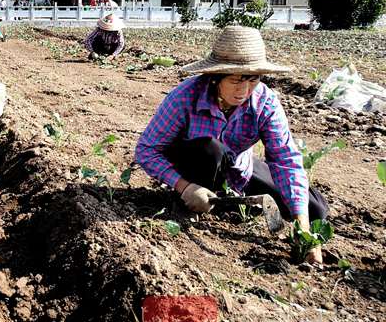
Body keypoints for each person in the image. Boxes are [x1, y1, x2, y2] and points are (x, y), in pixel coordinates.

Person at [134, 26, 329, 263]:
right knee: (210, 149)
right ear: (215, 76)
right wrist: (183, 186)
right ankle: (187, 204)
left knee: (315, 210)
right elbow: (147, 149)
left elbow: (285, 160)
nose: (244, 90)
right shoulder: (185, 96)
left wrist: (303, 228)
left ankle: (226, 201)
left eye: (253, 80)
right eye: (236, 80)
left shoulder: (265, 103)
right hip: (195, 164)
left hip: (238, 166)